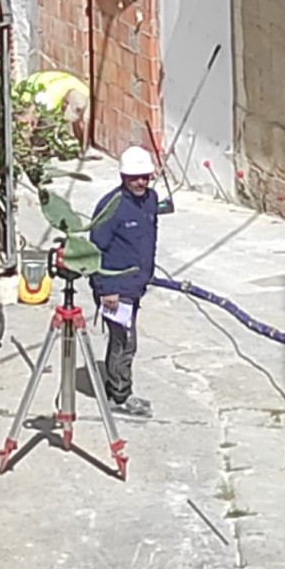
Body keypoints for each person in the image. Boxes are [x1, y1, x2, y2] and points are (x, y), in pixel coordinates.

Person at [89, 145, 171, 418]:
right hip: (114, 289)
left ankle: (116, 386)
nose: (140, 182)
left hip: (135, 286)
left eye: (145, 177)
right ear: (123, 177)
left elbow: (150, 236)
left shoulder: (150, 200)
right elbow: (95, 250)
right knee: (124, 341)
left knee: (122, 340)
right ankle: (120, 396)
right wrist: (106, 290)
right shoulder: (110, 207)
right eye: (134, 177)